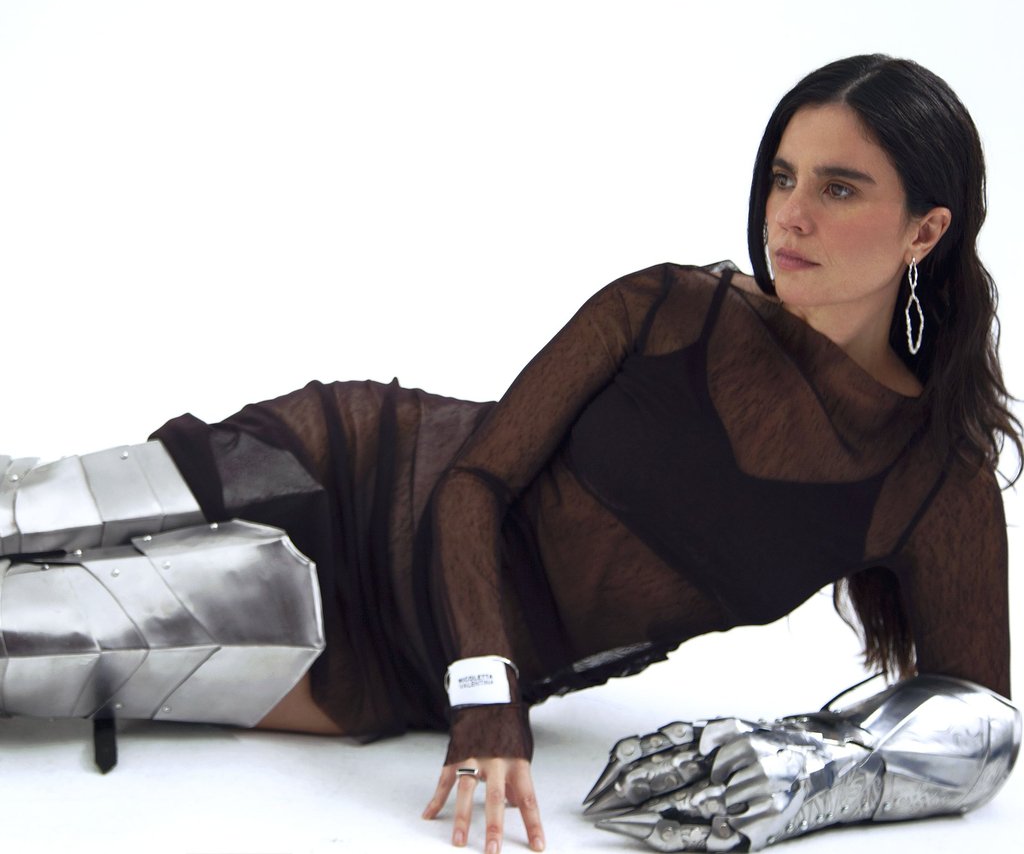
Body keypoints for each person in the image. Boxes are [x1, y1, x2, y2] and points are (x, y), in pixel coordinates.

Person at [0, 55, 1019, 853]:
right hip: (344, 472)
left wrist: (809, 769)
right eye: (783, 177)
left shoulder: (935, 482)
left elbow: (981, 722)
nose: (789, 214)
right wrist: (489, 701)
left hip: (390, 665)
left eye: (838, 189)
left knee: (27, 641)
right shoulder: (672, 307)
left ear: (925, 230)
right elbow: (476, 483)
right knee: (25, 510)